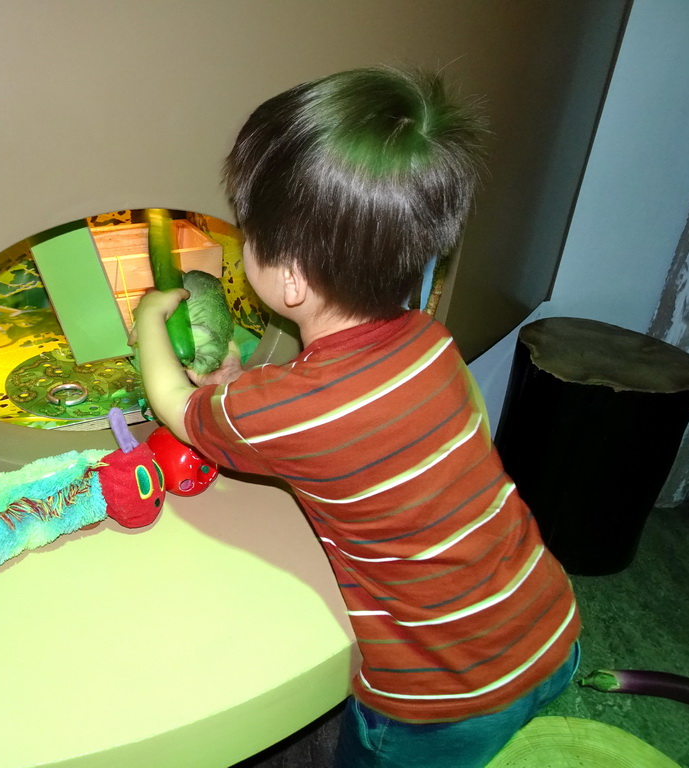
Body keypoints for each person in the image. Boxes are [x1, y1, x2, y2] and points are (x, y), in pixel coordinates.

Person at [132, 66, 580, 768]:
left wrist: (148, 320)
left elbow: (175, 408)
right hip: (544, 623)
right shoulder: (430, 344)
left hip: (438, 699)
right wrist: (243, 385)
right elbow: (333, 417)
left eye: (248, 234)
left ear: (291, 279)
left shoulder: (290, 413)